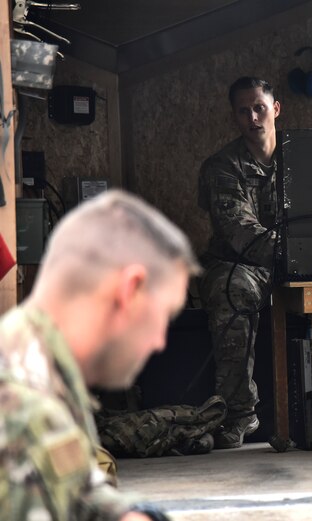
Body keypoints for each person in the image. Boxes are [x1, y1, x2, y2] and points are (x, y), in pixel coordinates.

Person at [0, 190, 200, 520]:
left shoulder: (39, 368)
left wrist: (127, 514)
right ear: (129, 290)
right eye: (164, 315)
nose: (159, 342)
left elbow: (73, 487)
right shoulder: (25, 414)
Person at [197, 76, 281, 449]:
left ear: (275, 109)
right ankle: (239, 413)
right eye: (244, 111)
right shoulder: (223, 166)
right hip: (240, 264)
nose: (253, 118)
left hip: (297, 259)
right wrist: (294, 254)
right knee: (230, 292)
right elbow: (240, 231)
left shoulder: (301, 158)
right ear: (235, 117)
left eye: (259, 108)